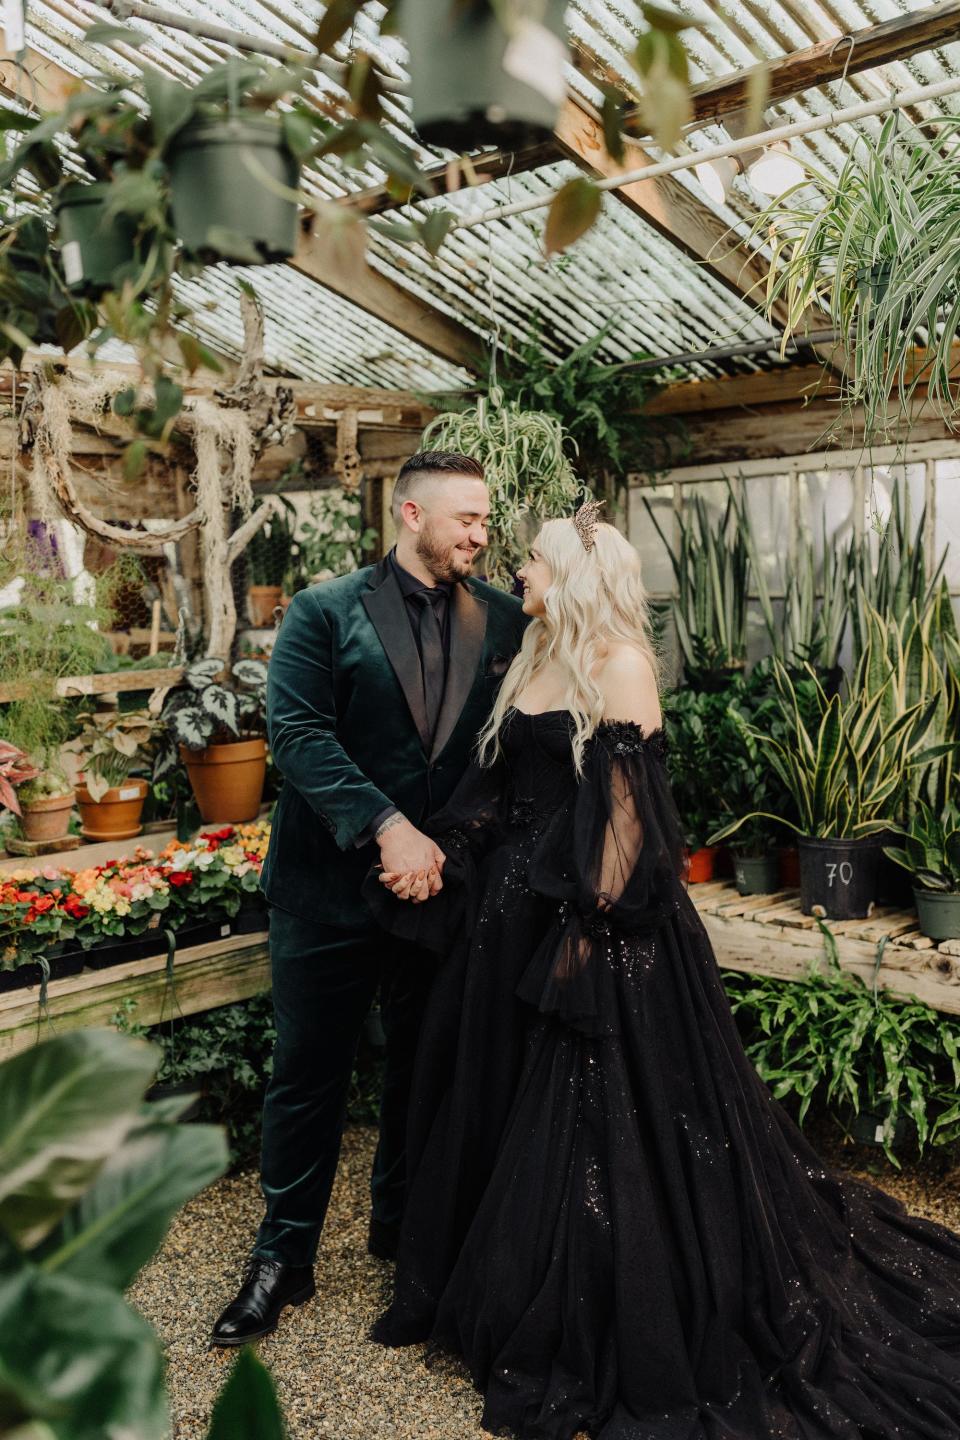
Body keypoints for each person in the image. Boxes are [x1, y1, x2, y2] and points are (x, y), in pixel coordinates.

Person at [366, 501, 960, 1440]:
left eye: (532, 560)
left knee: (599, 1114)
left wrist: (588, 928)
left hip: (600, 927)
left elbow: (627, 816)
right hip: (509, 918)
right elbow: (504, 786)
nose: (517, 571)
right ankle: (504, 1273)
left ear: (572, 573)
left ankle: (610, 1293)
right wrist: (448, 853)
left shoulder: (620, 665)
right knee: (503, 1096)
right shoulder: (534, 655)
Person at [210, 451, 528, 1347]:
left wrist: (457, 853)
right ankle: (282, 1261)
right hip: (327, 893)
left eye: (486, 520)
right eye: (466, 518)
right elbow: (298, 737)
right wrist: (387, 828)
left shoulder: (505, 618)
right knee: (307, 1078)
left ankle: (404, 1236)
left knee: (422, 1069)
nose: (479, 533)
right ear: (411, 513)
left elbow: (500, 756)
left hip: (442, 893)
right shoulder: (321, 611)